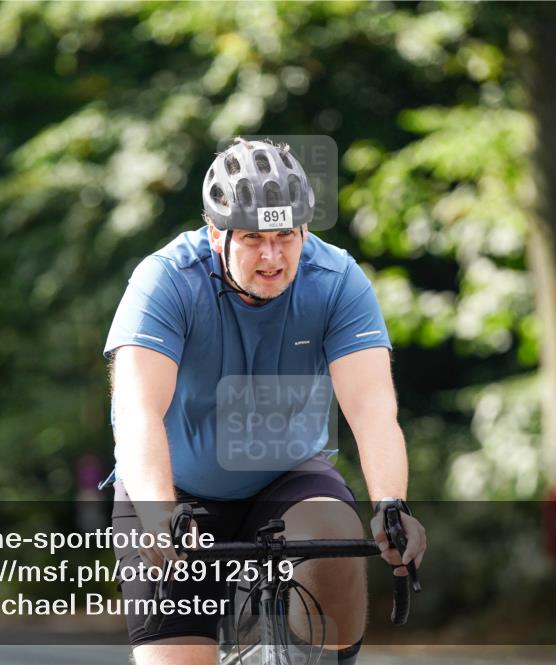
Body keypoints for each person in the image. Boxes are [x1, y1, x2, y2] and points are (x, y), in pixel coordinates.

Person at [101, 137, 427, 665]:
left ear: (305, 230)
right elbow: (138, 412)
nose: (272, 257)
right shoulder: (165, 280)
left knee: (335, 538)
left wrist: (391, 504)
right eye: (253, 237)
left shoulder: (337, 280)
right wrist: (159, 513)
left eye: (285, 236)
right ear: (217, 234)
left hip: (287, 476)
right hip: (175, 488)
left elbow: (372, 409)